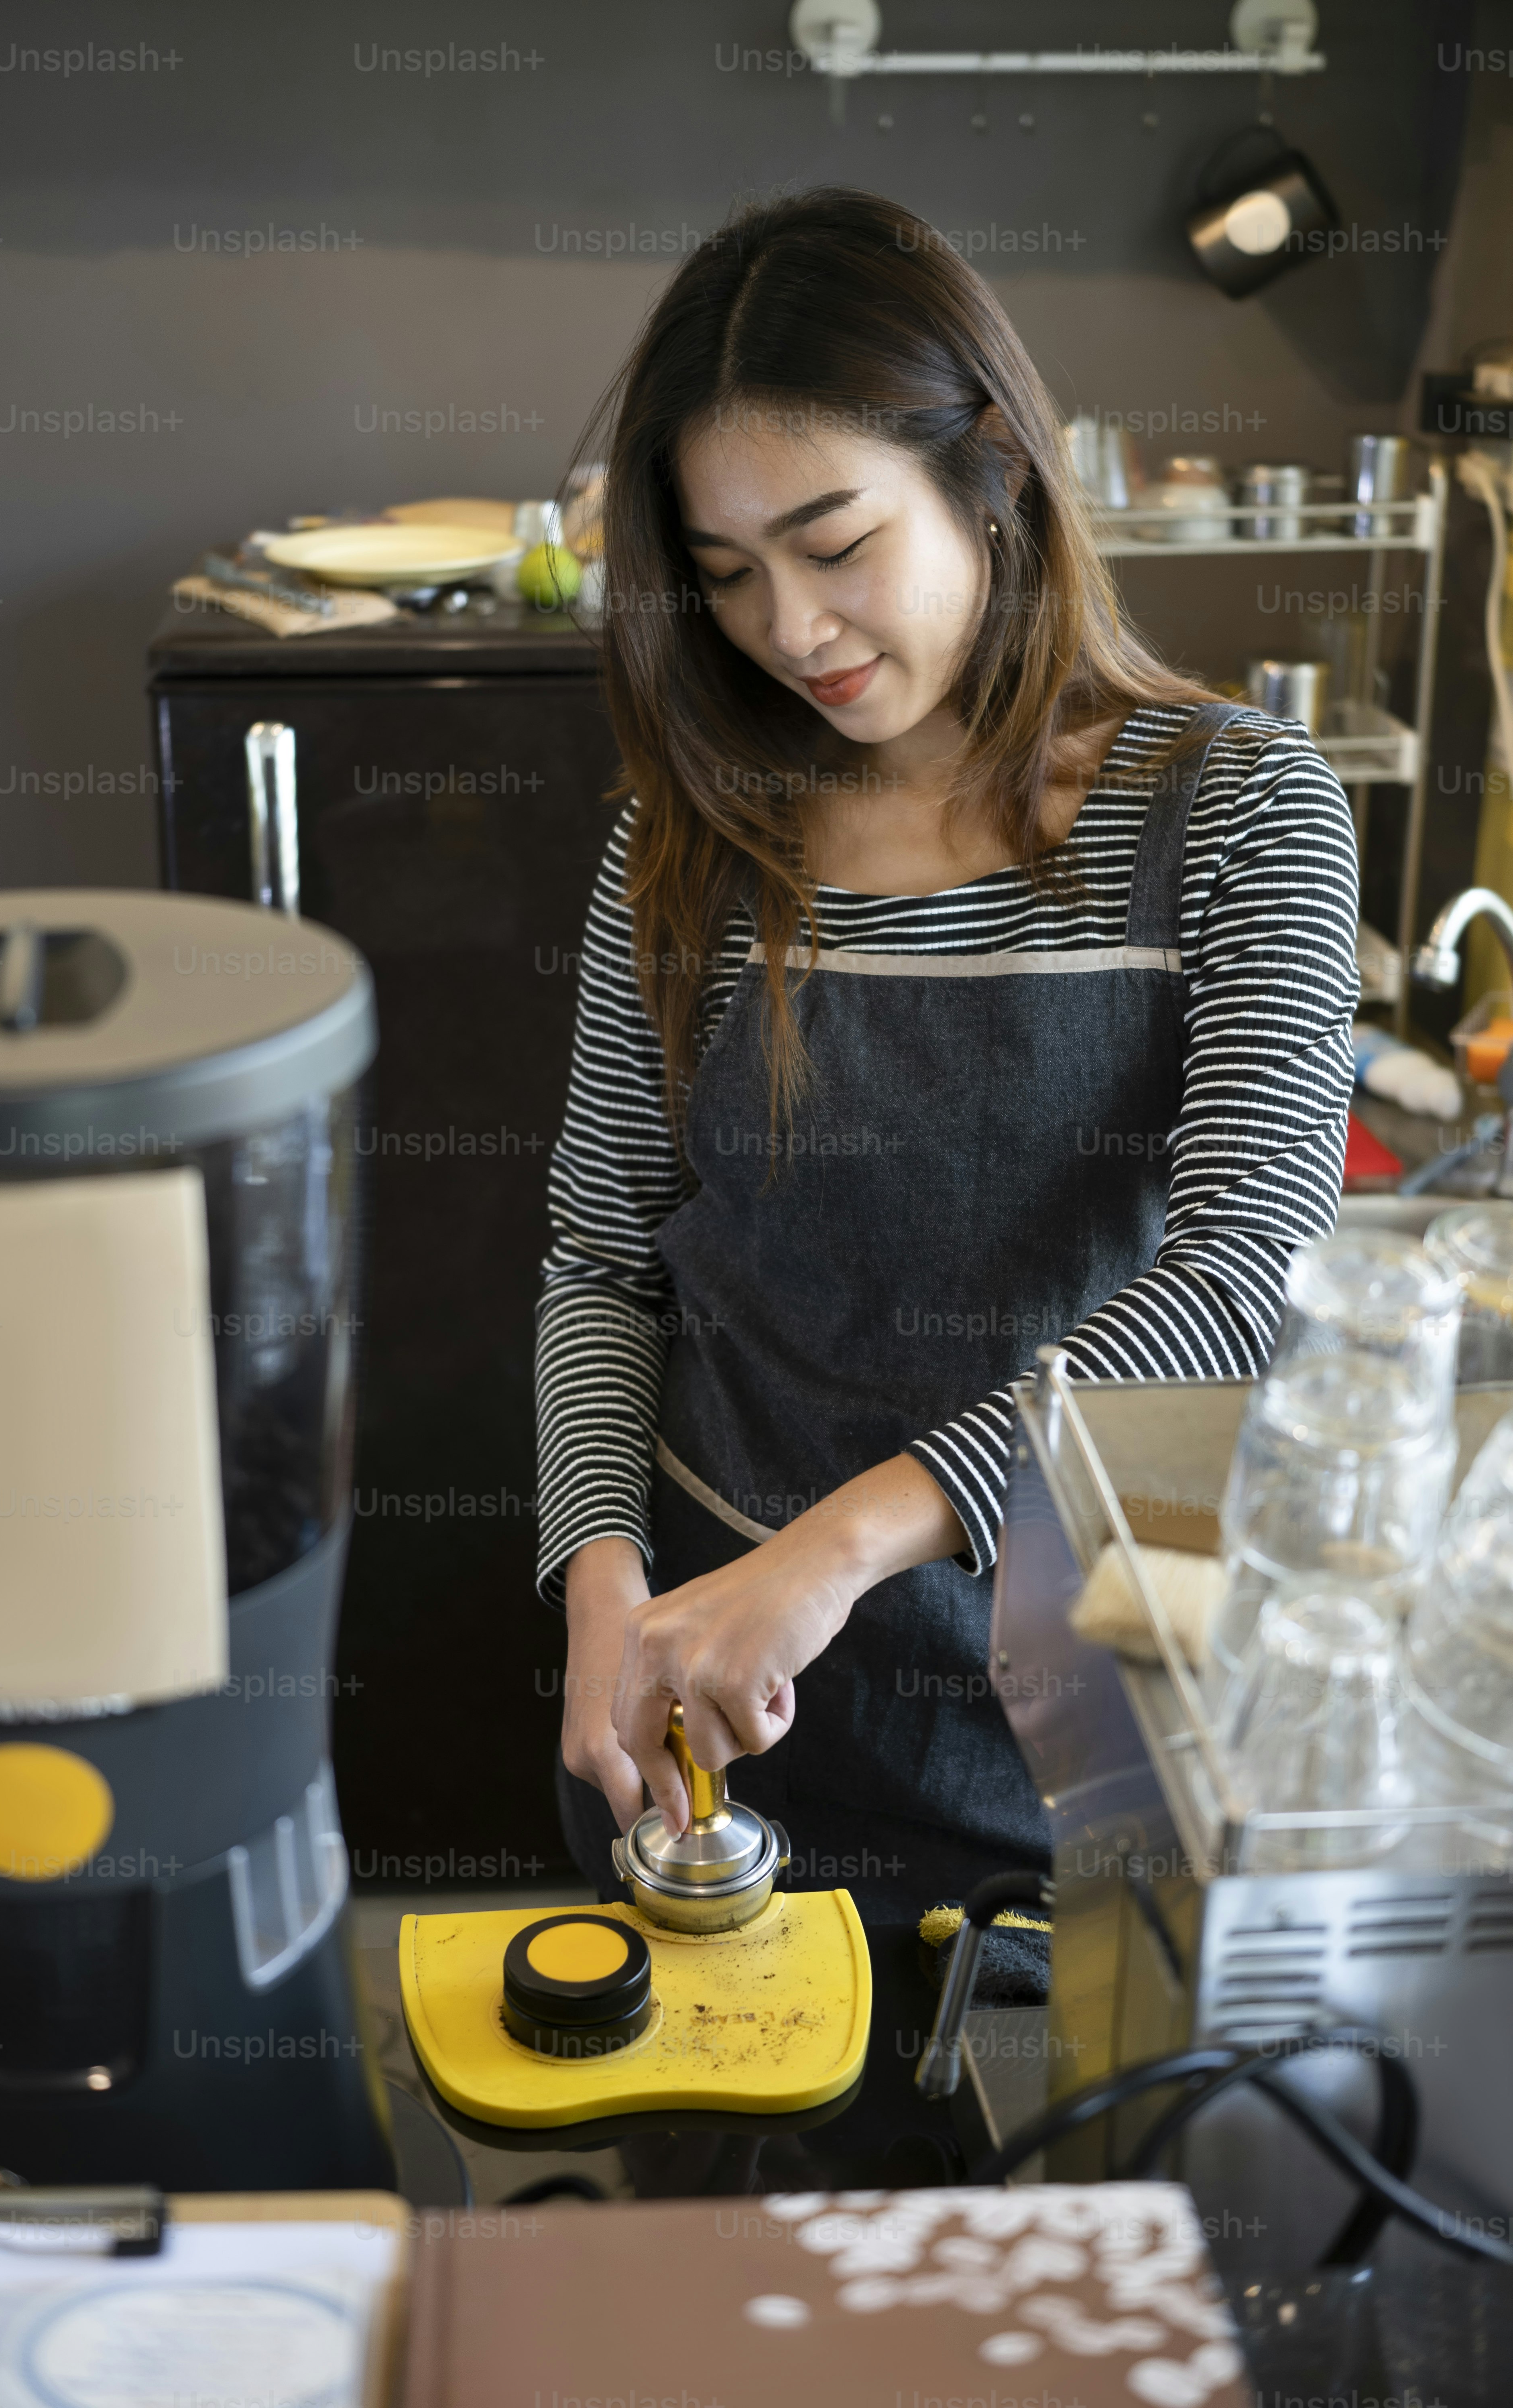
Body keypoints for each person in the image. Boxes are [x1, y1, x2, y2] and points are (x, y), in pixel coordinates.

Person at [534, 186, 1359, 1923]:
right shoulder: (681, 842)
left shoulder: (1238, 809)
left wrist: (833, 1553)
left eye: (835, 546)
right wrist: (603, 1587)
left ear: (991, 468)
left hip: (1073, 1683)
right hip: (723, 1697)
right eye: (728, 575)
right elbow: (604, 1260)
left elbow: (1242, 1279)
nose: (792, 630)